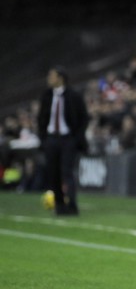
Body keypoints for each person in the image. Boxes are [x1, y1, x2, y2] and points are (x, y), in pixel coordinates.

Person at [37, 66, 89, 216]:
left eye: (51, 76)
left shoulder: (73, 96)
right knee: (53, 173)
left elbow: (84, 118)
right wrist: (43, 138)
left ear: (60, 78)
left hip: (68, 139)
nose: (49, 79)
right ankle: (59, 205)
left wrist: (76, 138)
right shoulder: (47, 96)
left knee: (67, 172)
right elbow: (41, 118)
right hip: (51, 139)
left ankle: (72, 205)